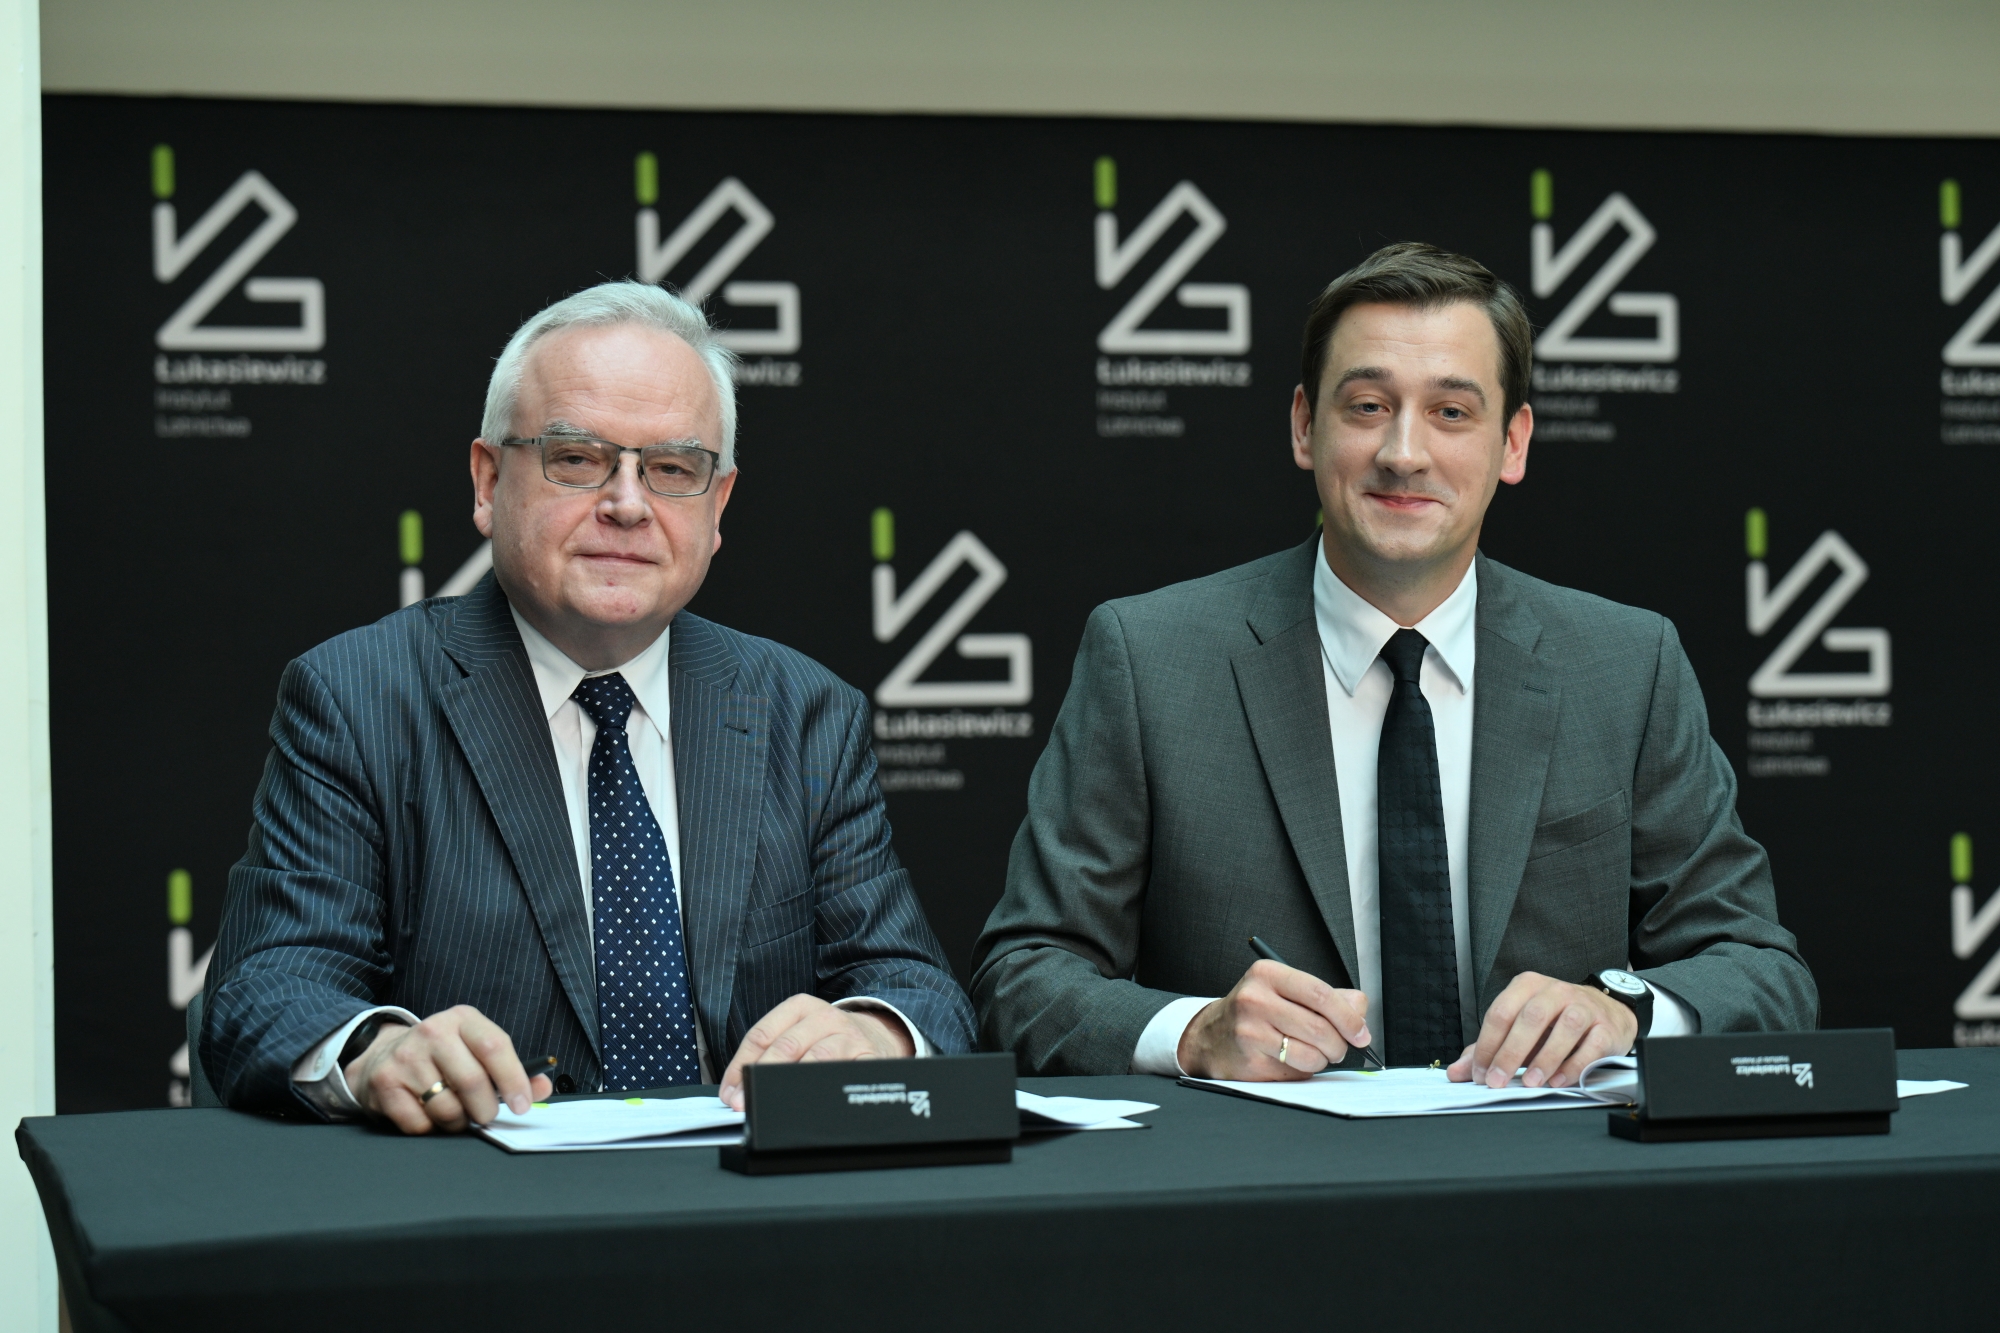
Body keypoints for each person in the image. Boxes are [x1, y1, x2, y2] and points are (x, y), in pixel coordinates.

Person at [972, 243, 1815, 1090]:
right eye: (1369, 406)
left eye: (1452, 412)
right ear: (1305, 425)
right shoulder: (1148, 659)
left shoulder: (1627, 667)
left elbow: (1760, 967)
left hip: (1548, 1161)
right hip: (1261, 1163)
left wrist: (1626, 1010)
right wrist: (1195, 1032)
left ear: (1513, 443)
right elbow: (1022, 976)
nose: (1404, 452)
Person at [203, 281, 975, 1133]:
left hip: (745, 1191)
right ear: (488, 480)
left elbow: (918, 988)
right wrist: (377, 1049)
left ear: (718, 507)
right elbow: (267, 987)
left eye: (673, 470)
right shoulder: (359, 698)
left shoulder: (804, 712)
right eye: (576, 458)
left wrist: (872, 1032)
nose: (628, 504)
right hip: (486, 1196)